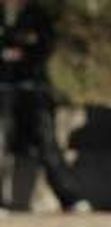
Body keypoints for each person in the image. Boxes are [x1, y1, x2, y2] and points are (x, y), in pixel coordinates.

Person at [0, 0, 83, 212]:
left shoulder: (37, 15)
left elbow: (43, 47)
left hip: (33, 87)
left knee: (46, 140)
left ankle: (69, 197)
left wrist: (21, 53)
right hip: (3, 88)